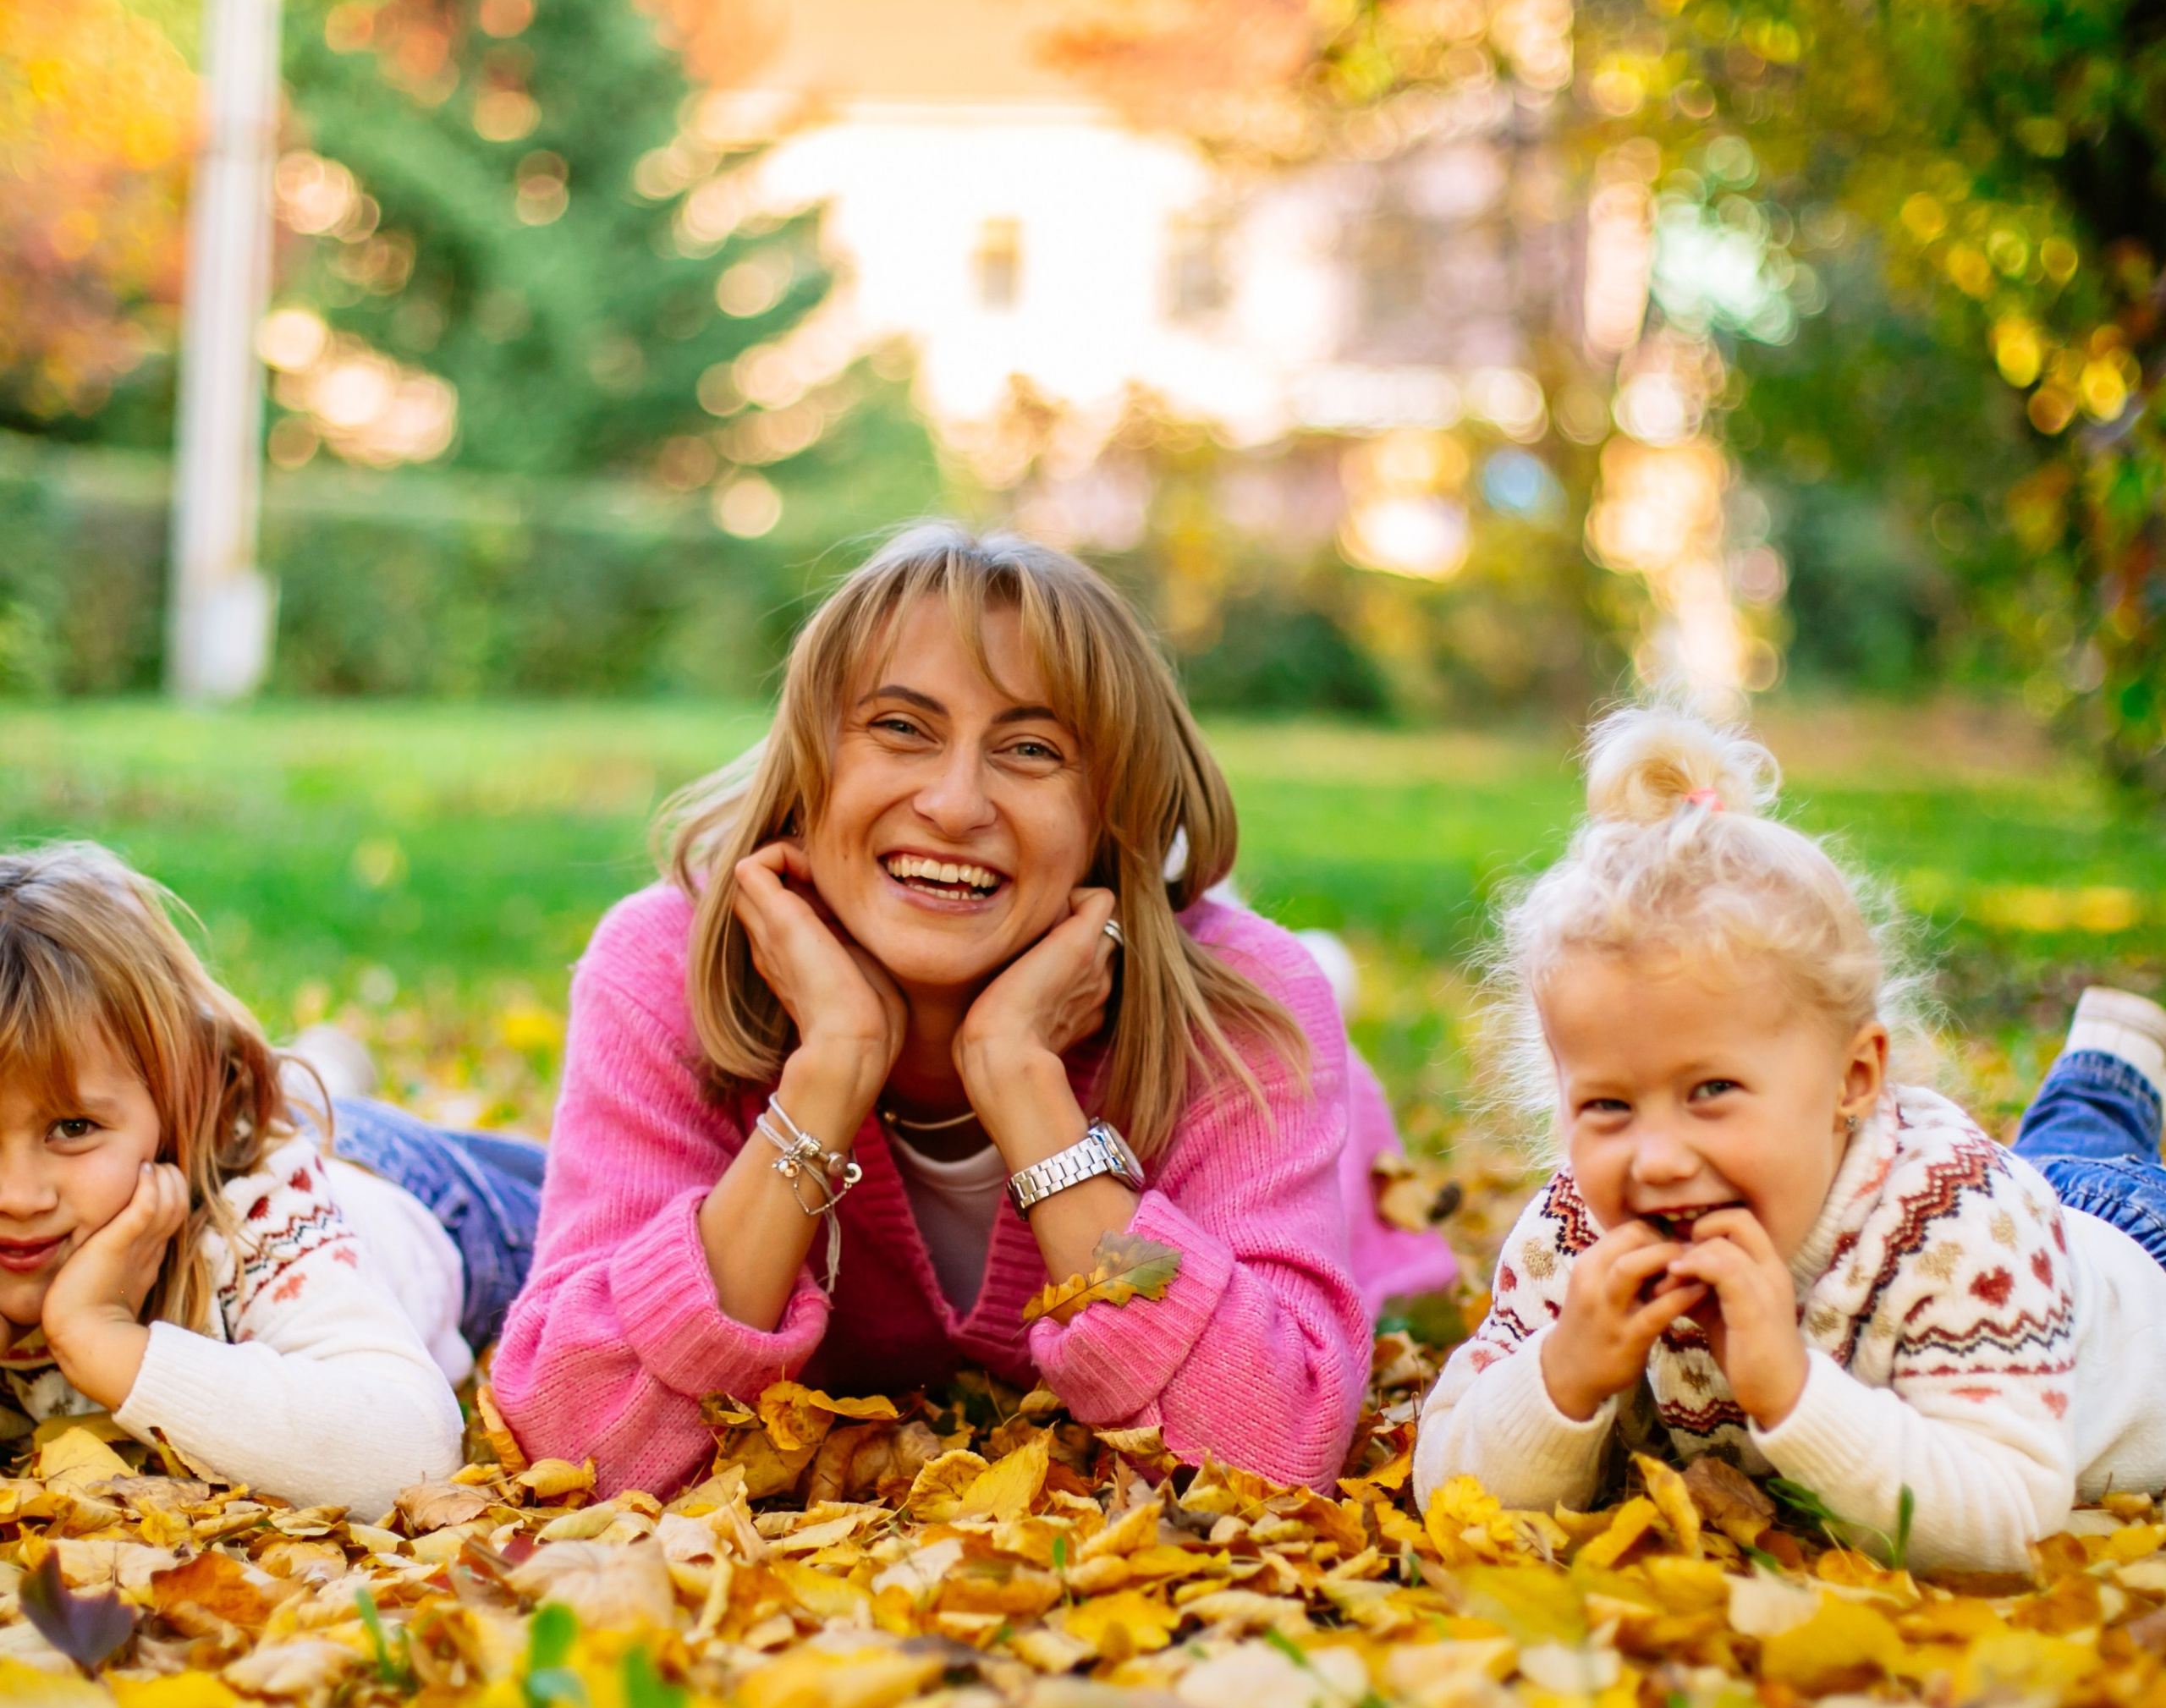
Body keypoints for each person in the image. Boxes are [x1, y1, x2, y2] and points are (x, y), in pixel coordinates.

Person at [492, 524, 1372, 1500]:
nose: (954, 805)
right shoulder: (662, 962)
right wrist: (830, 1071)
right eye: (901, 728)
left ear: (1110, 817)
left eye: (1031, 749)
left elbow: (1274, 1450)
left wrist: (1025, 1087)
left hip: (1290, 1119)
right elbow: (580, 1442)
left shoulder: (1241, 1013)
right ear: (809, 768)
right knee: (421, 1190)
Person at [1413, 702, 2166, 1574]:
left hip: (2124, 1278)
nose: (1655, 1158)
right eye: (1608, 1107)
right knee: (2060, 1163)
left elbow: (2009, 1529)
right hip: (2032, 1220)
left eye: (1711, 1091)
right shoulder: (1580, 1231)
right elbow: (1451, 1493)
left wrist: (1796, 1395)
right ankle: (2101, 1081)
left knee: (2082, 1172)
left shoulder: (1956, 1232)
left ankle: (2106, 1076)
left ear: (1853, 1080)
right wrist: (1559, 1374)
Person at [0, 843, 542, 1519]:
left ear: (176, 1103)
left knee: (597, 1209)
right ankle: (326, 1066)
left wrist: (101, 1339)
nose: (18, 1196)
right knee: (312, 1106)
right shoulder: (65, 1175)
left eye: (73, 1128)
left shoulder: (258, 1215)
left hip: (433, 1204)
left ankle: (323, 1076)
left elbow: (411, 1454)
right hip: (289, 1124)